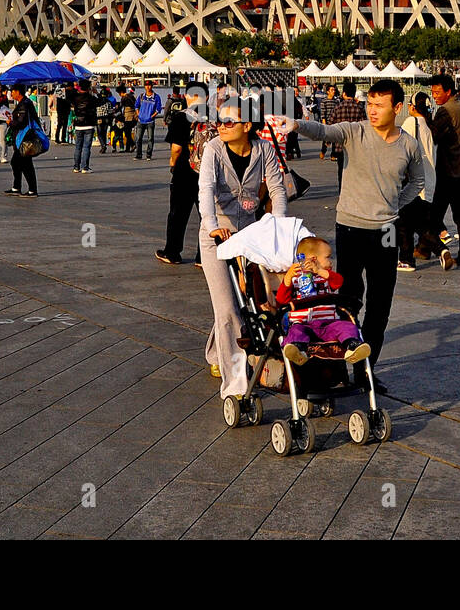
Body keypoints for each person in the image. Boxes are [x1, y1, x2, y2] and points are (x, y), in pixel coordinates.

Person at [275, 79, 423, 390]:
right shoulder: (355, 131)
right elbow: (324, 131)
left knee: (381, 302)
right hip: (351, 228)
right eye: (369, 103)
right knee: (348, 298)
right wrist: (296, 124)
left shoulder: (408, 144)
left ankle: (366, 370)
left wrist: (396, 203)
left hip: (386, 230)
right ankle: (338, 364)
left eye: (379, 105)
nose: (372, 110)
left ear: (396, 108)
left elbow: (418, 181)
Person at [199, 98, 287, 400]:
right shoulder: (212, 149)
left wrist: (278, 224)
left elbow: (276, 187)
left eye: (228, 122)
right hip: (216, 236)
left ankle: (215, 353)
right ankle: (236, 384)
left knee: (247, 301)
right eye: (219, 122)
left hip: (249, 233)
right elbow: (206, 190)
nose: (221, 127)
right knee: (227, 309)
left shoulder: (263, 149)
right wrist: (211, 224)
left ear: (247, 126)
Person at [277, 237, 369, 367]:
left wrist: (320, 270)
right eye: (328, 257)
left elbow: (338, 282)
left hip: (329, 324)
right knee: (295, 331)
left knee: (346, 326)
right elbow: (281, 299)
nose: (331, 261)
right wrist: (287, 278)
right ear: (314, 259)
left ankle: (352, 347)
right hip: (304, 324)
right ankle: (298, 351)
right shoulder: (296, 279)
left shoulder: (326, 276)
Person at [425, 73, 460, 269]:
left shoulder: (446, 110)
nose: (435, 96)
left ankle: (427, 248)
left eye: (437, 92)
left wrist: (424, 117)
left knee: (433, 215)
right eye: (432, 92)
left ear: (448, 91)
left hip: (451, 171)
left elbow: (433, 136)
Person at [156, 82, 205, 265]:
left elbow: (176, 148)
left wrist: (172, 164)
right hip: (207, 173)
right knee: (207, 216)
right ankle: (203, 257)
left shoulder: (181, 117)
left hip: (185, 172)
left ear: (187, 96)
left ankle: (172, 252)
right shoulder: (212, 118)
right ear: (206, 97)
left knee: (178, 214)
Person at [397, 92, 437, 271]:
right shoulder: (428, 125)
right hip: (430, 180)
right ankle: (425, 250)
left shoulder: (410, 123)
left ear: (413, 107)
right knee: (420, 222)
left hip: (415, 182)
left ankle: (408, 258)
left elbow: (403, 150)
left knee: (407, 224)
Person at [324, 80, 366, 190]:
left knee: (341, 171)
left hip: (340, 146)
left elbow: (330, 125)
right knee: (355, 172)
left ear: (344, 94)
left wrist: (327, 141)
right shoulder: (360, 108)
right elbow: (364, 127)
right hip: (356, 146)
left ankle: (342, 193)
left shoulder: (337, 108)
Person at [3, 84, 39, 196]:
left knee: (25, 164)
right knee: (17, 163)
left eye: (12, 91)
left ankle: (32, 190)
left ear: (18, 92)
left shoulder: (24, 104)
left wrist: (10, 122)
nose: (11, 93)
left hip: (25, 139)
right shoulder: (23, 103)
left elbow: (21, 123)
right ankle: (16, 187)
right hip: (22, 139)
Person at [70, 78, 100, 173]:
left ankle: (76, 167)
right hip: (89, 124)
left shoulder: (75, 98)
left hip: (78, 124)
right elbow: (101, 102)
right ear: (88, 87)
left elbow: (69, 98)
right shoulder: (91, 98)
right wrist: (96, 93)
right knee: (86, 147)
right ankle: (85, 167)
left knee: (78, 147)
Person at [133, 82, 162, 160]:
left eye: (149, 85)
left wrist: (152, 116)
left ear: (152, 86)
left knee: (150, 139)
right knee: (138, 138)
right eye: (146, 85)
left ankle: (148, 154)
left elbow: (158, 109)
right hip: (140, 121)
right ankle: (138, 154)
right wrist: (139, 114)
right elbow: (136, 106)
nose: (148, 87)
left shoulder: (156, 97)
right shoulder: (141, 96)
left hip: (150, 122)